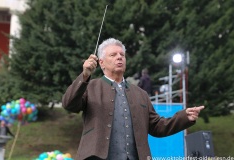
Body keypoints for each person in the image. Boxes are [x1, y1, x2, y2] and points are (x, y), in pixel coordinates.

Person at [62, 38, 204, 160]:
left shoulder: (140, 94)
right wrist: (85, 76)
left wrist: (184, 117)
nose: (119, 57)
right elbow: (69, 104)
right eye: (113, 55)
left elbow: (157, 127)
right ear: (101, 62)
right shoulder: (90, 87)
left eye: (122, 55)